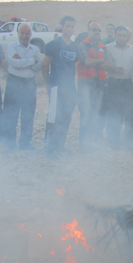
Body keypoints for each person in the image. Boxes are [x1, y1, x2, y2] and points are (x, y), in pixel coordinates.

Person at [42, 15, 79, 157]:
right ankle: (49, 147)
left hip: (70, 87)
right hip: (56, 85)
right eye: (67, 25)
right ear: (62, 26)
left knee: (66, 116)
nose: (70, 28)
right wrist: (48, 84)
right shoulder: (53, 44)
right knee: (54, 116)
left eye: (72, 26)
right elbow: (45, 65)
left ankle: (60, 145)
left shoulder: (75, 47)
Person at [3, 23, 42, 150]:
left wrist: (23, 61)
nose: (24, 36)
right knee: (11, 115)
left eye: (27, 33)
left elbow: (38, 67)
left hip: (29, 85)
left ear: (31, 34)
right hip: (14, 83)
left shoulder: (35, 49)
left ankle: (25, 144)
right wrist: (32, 61)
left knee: (28, 116)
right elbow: (14, 63)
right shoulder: (12, 46)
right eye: (22, 33)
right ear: (18, 33)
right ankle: (10, 144)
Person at [76, 21, 112, 150]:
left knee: (94, 114)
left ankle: (89, 141)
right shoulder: (82, 46)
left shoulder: (104, 46)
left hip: (100, 84)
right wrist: (102, 61)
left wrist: (96, 63)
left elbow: (109, 64)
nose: (97, 32)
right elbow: (87, 61)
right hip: (85, 83)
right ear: (88, 31)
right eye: (94, 30)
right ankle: (83, 143)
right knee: (86, 113)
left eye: (98, 30)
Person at [104, 26, 133, 148]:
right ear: (115, 35)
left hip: (128, 84)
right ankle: (113, 141)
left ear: (127, 36)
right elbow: (104, 66)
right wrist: (113, 69)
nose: (122, 37)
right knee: (114, 112)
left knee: (129, 114)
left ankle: (128, 141)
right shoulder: (108, 48)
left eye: (124, 35)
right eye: (119, 35)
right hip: (113, 83)